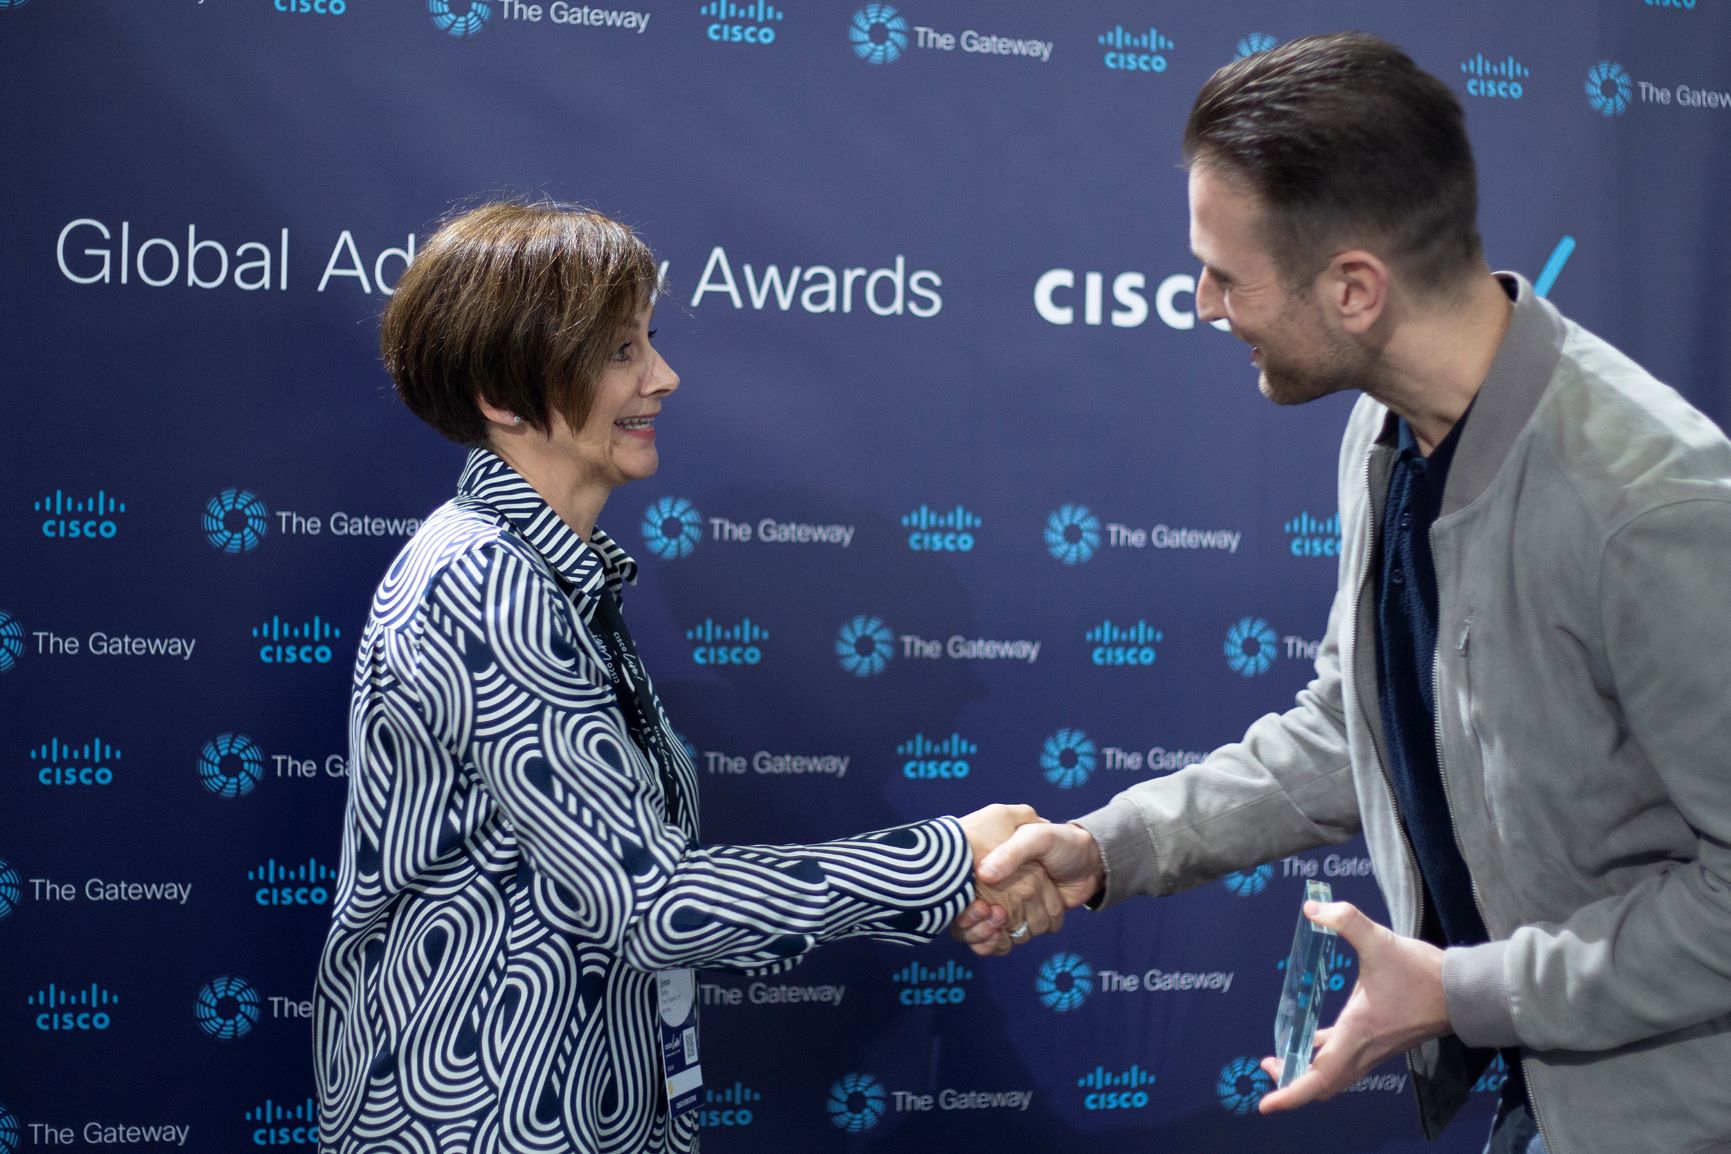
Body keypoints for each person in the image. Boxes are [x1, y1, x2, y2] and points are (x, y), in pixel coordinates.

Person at [962, 32, 1731, 1154]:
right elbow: (1350, 729)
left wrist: (1460, 990)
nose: (1202, 304)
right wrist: (1106, 847)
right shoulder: (1385, 430)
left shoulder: (1648, 505)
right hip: (1549, 1103)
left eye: (1227, 275)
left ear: (1355, 288)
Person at [311, 201, 1058, 1154]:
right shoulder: (487, 581)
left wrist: (937, 887)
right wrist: (946, 860)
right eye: (619, 351)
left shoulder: (547, 573)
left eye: (648, 342)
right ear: (502, 395)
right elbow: (649, 906)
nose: (662, 378)